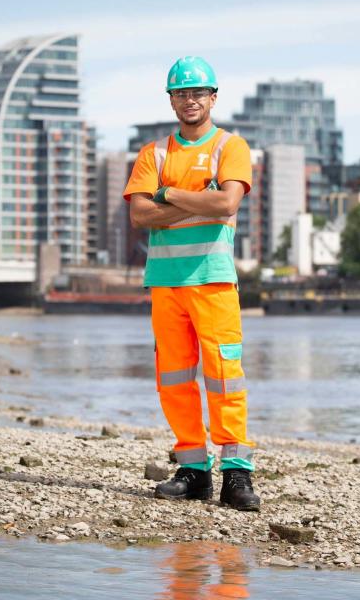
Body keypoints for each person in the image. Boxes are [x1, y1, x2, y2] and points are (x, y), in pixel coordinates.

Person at [124, 56, 260, 511]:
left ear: (213, 97)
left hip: (214, 279)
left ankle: (237, 474)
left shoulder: (231, 146)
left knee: (224, 375)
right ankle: (194, 470)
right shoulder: (154, 153)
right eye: (181, 93)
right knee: (175, 378)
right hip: (165, 281)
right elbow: (140, 215)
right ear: (171, 100)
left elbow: (226, 203)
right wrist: (201, 199)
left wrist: (170, 194)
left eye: (197, 92)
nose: (190, 100)